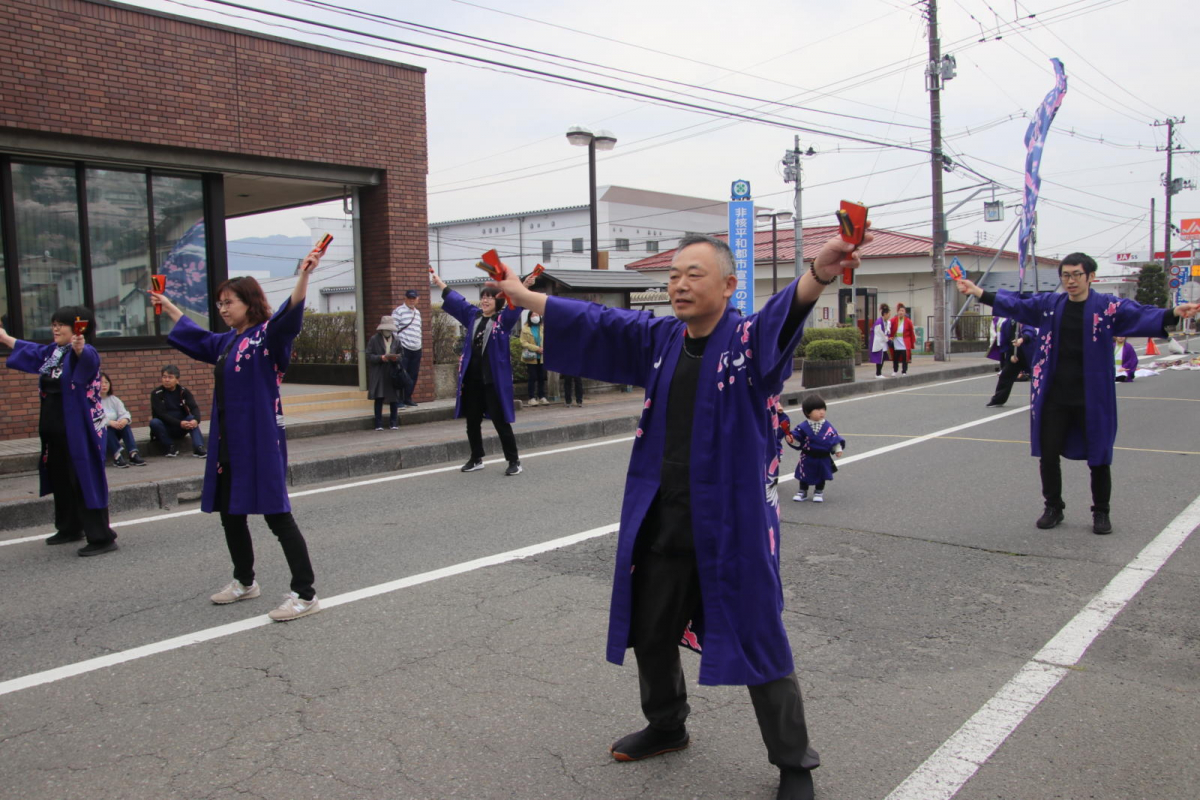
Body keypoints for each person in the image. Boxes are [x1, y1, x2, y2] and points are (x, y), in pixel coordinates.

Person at [495, 229, 872, 800]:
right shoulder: (663, 338)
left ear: (728, 283)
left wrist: (818, 272)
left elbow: (781, 316)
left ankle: (794, 763)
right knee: (651, 628)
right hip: (664, 514)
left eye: (694, 274)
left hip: (732, 524)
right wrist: (523, 297)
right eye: (673, 275)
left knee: (759, 638)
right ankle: (668, 724)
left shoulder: (748, 341)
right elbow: (599, 323)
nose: (679, 284)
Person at [957, 252, 1198, 535]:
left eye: (1076, 275)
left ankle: (1101, 512)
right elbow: (1018, 305)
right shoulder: (1050, 305)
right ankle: (1053, 507)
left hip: (1092, 395)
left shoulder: (1107, 307)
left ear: (1091, 277)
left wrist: (1172, 314)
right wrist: (979, 292)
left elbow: (1139, 313)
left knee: (1099, 455)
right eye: (1066, 276)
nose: (1070, 281)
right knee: (1048, 453)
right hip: (1053, 394)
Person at [151, 260, 324, 621]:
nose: (223, 309)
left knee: (278, 517)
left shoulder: (267, 335)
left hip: (260, 440)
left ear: (249, 301)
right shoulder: (229, 340)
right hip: (229, 441)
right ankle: (245, 582)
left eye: (229, 302)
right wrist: (168, 306)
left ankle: (305, 594)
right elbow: (197, 338)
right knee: (231, 515)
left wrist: (305, 275)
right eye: (220, 304)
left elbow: (289, 316)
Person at [1, 306, 119, 556]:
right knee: (61, 479)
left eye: (61, 324)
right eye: (53, 323)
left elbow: (85, 356)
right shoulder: (53, 353)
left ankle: (101, 537)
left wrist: (79, 345)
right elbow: (30, 350)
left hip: (80, 431)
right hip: (54, 430)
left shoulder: (84, 352)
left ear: (78, 328)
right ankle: (69, 527)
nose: (55, 328)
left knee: (83, 479)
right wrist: (2, 336)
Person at [431, 272, 534, 476]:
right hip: (472, 380)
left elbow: (515, 303)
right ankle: (476, 457)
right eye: (483, 296)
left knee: (499, 421)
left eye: (490, 297)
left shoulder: (502, 321)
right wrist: (441, 284)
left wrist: (524, 286)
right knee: (472, 421)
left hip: (493, 381)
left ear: (498, 301)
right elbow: (458, 302)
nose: (485, 300)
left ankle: (514, 460)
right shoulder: (473, 317)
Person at [787, 395, 845, 503]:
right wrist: (791, 438)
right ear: (808, 412)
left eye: (823, 409)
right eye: (818, 409)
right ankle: (802, 491)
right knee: (804, 473)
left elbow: (834, 438)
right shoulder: (803, 426)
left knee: (821, 474)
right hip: (807, 455)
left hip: (823, 456)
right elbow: (796, 437)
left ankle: (819, 491)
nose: (822, 412)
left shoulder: (828, 426)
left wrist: (838, 449)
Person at [149, 365, 207, 458]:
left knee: (191, 418)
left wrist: (196, 420)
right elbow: (161, 414)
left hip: (181, 427)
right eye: (164, 377)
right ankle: (170, 447)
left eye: (170, 377)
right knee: (154, 422)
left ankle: (198, 448)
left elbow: (194, 407)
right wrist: (179, 423)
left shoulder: (183, 392)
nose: (166, 380)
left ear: (177, 380)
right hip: (165, 428)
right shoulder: (156, 394)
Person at [985, 318, 1038, 407]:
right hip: (1015, 355)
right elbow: (1005, 341)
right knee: (1005, 375)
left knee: (1038, 378)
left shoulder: (1026, 319)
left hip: (1030, 355)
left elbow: (1029, 332)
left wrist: (1021, 340)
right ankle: (998, 399)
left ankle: (1042, 400)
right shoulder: (1007, 323)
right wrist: (1010, 356)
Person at [100, 372, 147, 467]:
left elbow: (124, 413)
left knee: (126, 426)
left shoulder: (114, 399)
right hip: (101, 434)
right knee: (106, 428)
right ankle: (117, 456)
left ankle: (133, 454)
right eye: (100, 383)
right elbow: (94, 420)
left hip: (115, 429)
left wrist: (124, 420)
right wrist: (109, 422)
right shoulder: (93, 402)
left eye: (106, 382)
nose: (104, 385)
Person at [366, 316, 403, 430]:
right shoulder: (374, 339)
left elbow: (402, 354)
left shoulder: (396, 340)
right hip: (379, 371)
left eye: (390, 330)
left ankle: (393, 422)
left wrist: (396, 358)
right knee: (379, 397)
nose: (388, 332)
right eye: (386, 329)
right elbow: (369, 356)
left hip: (392, 370)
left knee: (394, 398)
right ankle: (378, 423)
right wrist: (381, 358)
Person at [391, 289, 423, 408]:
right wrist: (398, 347)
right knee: (401, 374)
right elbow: (394, 330)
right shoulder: (398, 311)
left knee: (413, 374)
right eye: (409, 298)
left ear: (417, 299)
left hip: (416, 348)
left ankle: (408, 397)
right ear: (405, 298)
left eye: (414, 298)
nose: (411, 300)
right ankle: (398, 399)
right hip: (404, 348)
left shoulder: (418, 313)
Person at [520, 311, 549, 405]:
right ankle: (531, 397)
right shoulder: (525, 328)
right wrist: (536, 349)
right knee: (532, 377)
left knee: (541, 377)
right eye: (532, 315)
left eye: (536, 315)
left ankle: (542, 396)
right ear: (529, 317)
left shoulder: (543, 327)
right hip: (531, 357)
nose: (535, 316)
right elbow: (523, 342)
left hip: (542, 357)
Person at [888, 303, 916, 374]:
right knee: (895, 357)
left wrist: (912, 342)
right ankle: (895, 370)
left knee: (905, 357)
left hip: (905, 341)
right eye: (900, 310)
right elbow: (888, 329)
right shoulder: (893, 320)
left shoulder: (908, 321)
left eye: (902, 311)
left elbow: (912, 332)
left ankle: (904, 371)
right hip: (896, 341)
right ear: (897, 312)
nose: (901, 312)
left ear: (905, 312)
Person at [868, 304, 891, 378]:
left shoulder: (886, 322)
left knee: (882, 357)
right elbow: (880, 333)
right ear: (885, 314)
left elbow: (886, 331)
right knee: (880, 358)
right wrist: (886, 338)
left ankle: (879, 373)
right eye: (888, 314)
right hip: (879, 342)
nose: (889, 316)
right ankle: (878, 373)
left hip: (883, 342)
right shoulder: (879, 322)